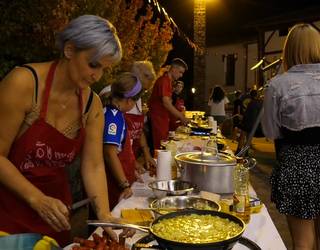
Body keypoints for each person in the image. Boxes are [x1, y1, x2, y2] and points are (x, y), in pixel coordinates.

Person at [0, 15, 125, 246]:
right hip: (7, 214)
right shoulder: (24, 83)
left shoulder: (92, 104)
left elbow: (94, 164)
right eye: (93, 64)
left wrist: (104, 214)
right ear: (69, 50)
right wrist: (37, 199)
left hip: (55, 216)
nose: (96, 76)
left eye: (104, 70)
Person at [262, 23, 320, 250]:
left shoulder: (278, 85)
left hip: (298, 165)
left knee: (303, 242)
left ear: (289, 49)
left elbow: (270, 131)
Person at [102, 72, 143, 210]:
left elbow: (121, 147)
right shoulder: (113, 118)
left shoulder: (116, 113)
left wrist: (133, 167)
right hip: (111, 185)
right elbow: (109, 153)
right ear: (129, 101)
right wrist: (124, 184)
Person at [149, 58, 189, 150]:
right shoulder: (164, 81)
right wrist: (181, 117)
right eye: (180, 72)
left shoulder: (169, 82)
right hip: (158, 118)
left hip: (162, 119)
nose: (181, 75)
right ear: (174, 69)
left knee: (163, 146)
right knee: (160, 148)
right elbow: (166, 103)